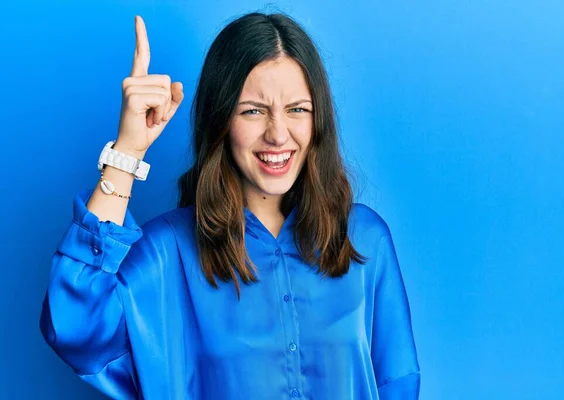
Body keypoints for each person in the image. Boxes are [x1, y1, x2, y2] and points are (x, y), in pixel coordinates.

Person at [39, 12, 420, 400]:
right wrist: (127, 152)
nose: (278, 134)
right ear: (221, 119)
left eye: (297, 109)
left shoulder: (365, 239)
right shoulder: (168, 251)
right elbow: (74, 327)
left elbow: (398, 383)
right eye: (253, 110)